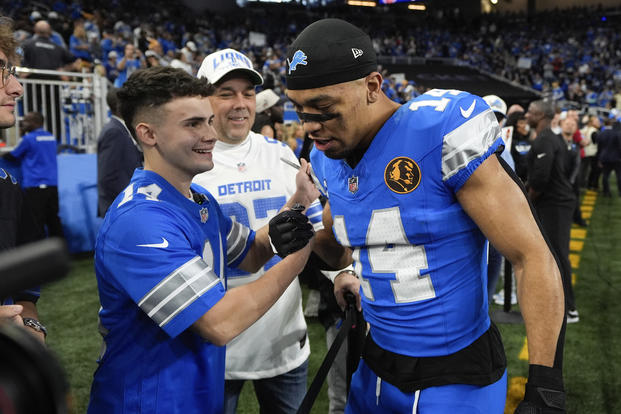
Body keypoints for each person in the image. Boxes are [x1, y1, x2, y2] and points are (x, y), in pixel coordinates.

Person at [285, 19, 566, 413]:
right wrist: (307, 235)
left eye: (323, 109)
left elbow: (530, 254)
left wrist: (546, 384)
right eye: (300, 110)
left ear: (371, 87)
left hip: (456, 374)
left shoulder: (439, 127)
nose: (310, 125)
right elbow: (343, 247)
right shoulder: (327, 156)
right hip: (375, 363)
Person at [87, 66, 318, 414]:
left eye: (209, 121)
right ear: (148, 134)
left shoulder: (198, 199)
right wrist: (302, 253)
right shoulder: (139, 221)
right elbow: (221, 322)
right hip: (147, 401)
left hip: (193, 395)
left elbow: (253, 252)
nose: (210, 134)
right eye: (192, 124)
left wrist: (297, 204)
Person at [193, 48, 324, 414]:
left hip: (281, 338)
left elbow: (313, 225)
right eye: (226, 93)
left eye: (247, 93)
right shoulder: (188, 161)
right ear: (204, 98)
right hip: (217, 342)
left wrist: (342, 272)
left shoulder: (279, 152)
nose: (240, 104)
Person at [0, 15, 47, 343]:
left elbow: (24, 289)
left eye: (11, 73)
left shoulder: (7, 186)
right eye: (0, 72)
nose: (16, 87)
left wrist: (31, 327)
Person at [526, 100, 578, 324]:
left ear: (541, 115)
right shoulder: (551, 138)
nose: (527, 114)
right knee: (554, 255)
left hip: (556, 203)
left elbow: (541, 177)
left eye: (531, 111)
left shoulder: (546, 139)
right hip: (555, 202)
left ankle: (569, 309)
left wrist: (527, 200)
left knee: (558, 255)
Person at [3, 111, 64, 239]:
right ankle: (60, 252)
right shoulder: (50, 137)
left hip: (35, 186)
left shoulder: (29, 139)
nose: (23, 123)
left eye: (26, 120)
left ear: (35, 122)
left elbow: (12, 156)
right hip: (52, 185)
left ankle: (39, 254)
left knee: (36, 222)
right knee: (54, 220)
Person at [96, 87, 143, 216]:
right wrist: (120, 204)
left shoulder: (121, 129)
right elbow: (107, 175)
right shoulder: (114, 132)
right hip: (119, 206)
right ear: (120, 106)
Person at [596, 115, 621, 198]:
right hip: (616, 158)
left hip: (604, 158)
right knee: (619, 176)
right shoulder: (616, 133)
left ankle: (606, 192)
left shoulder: (601, 134)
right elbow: (619, 146)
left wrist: (599, 159)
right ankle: (620, 192)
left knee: (605, 176)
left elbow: (599, 148)